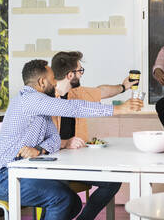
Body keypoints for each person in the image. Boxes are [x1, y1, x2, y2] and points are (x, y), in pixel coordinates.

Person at [0, 60, 143, 220]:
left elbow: (54, 138)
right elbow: (73, 108)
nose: (55, 83)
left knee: (75, 201)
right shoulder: (29, 100)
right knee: (63, 200)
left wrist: (39, 150)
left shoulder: (41, 106)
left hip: (27, 169)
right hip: (3, 176)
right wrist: (118, 109)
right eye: (52, 79)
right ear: (42, 82)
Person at [50, 51, 137, 219]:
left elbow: (100, 91)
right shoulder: (46, 100)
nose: (81, 74)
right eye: (80, 71)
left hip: (77, 161)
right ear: (70, 74)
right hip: (54, 166)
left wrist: (123, 87)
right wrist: (66, 143)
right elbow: (42, 141)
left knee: (112, 181)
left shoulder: (76, 93)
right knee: (61, 199)